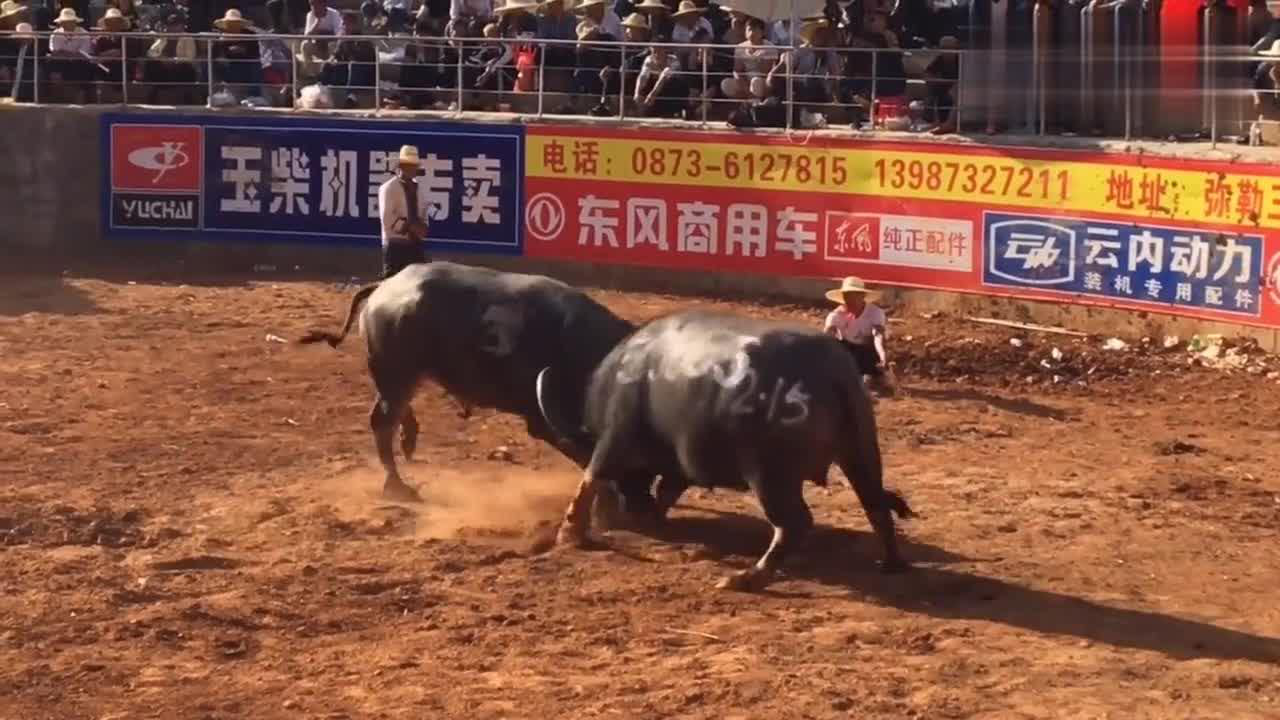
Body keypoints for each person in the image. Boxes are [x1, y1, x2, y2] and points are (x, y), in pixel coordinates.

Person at [822, 276, 896, 397]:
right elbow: (827, 336)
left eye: (853, 295)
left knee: (872, 350)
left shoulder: (875, 313)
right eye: (847, 296)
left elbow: (878, 336)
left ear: (862, 296)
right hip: (847, 351)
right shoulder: (835, 315)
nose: (849, 300)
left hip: (868, 351)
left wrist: (883, 356)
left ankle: (875, 376)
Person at [377, 145, 431, 279]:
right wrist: (410, 226)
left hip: (415, 246)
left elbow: (424, 212)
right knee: (391, 288)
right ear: (400, 166)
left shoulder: (419, 189)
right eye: (408, 165)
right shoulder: (388, 188)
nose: (412, 169)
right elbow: (387, 219)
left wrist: (423, 228)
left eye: (414, 165)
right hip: (396, 246)